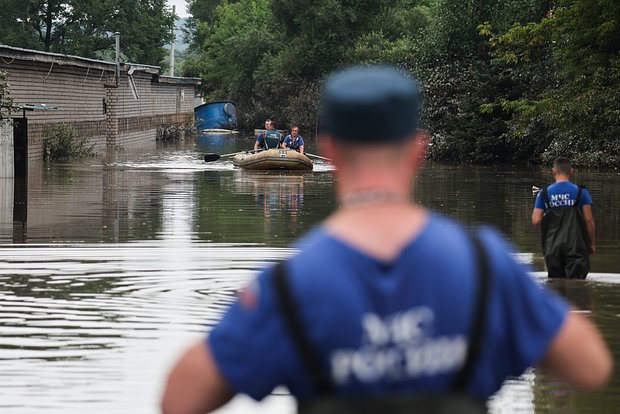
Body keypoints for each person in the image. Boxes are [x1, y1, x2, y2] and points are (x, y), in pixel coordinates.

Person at [161, 65, 612, 414]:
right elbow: (591, 366)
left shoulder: (289, 285)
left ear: (330, 149)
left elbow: (179, 398)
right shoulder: (486, 265)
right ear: (418, 149)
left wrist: (260, 309)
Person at [532, 157, 596, 279]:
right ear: (571, 171)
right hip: (576, 247)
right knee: (578, 289)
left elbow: (536, 220)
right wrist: (591, 244)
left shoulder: (544, 194)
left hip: (553, 248)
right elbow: (589, 220)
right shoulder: (581, 192)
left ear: (553, 171)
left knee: (556, 288)